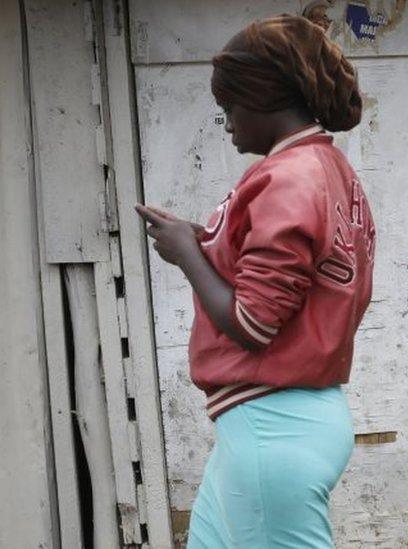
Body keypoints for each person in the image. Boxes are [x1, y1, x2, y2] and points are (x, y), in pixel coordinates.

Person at [135, 14, 375, 548]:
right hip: (274, 420)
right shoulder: (327, 168)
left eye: (228, 108)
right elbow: (301, 278)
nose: (226, 125)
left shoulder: (288, 177)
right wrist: (208, 244)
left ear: (263, 98)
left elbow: (253, 322)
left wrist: (185, 258)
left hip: (275, 422)